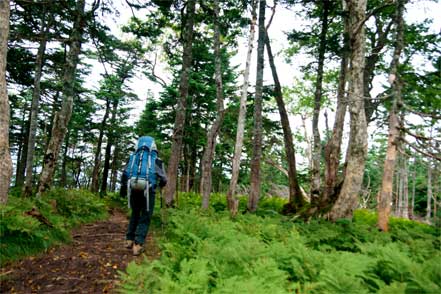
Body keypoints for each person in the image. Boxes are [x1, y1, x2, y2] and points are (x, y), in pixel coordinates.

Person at [120, 137, 167, 256]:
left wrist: (124, 190)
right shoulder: (156, 160)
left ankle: (129, 240)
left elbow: (125, 174)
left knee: (135, 213)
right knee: (145, 216)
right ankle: (138, 245)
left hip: (133, 188)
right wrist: (160, 185)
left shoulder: (133, 158)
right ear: (153, 147)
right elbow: (164, 179)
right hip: (148, 189)